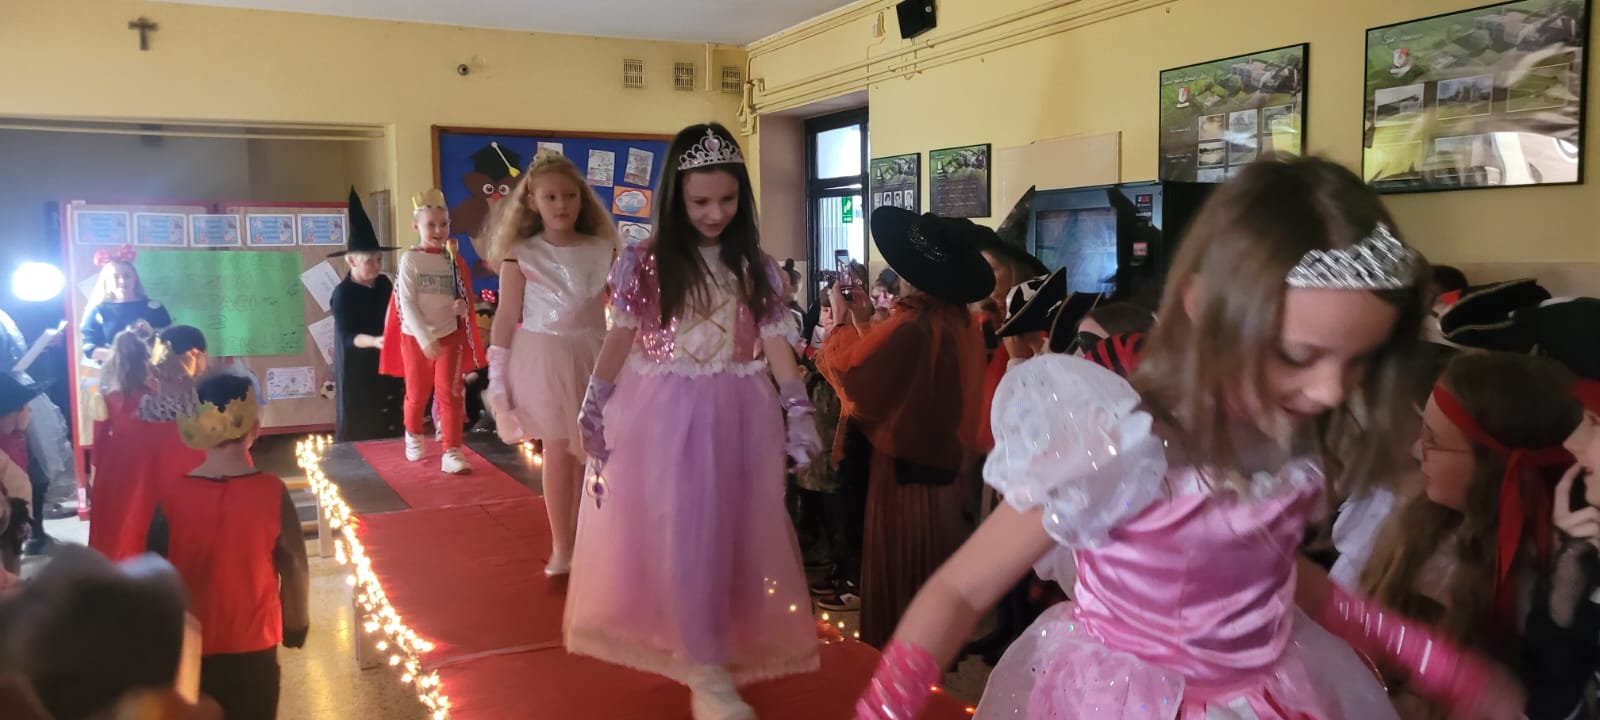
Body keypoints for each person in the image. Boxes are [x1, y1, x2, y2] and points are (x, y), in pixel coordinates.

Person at [854, 157, 1523, 720]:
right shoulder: (1112, 444)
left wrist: (1429, 657)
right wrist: (883, 709)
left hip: (1270, 692)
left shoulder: (1283, 434)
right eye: (1299, 355)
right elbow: (960, 591)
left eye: (1357, 364)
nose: (1328, 391)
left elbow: (1280, 579)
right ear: (1205, 309)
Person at [567, 123, 821, 720]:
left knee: (733, 530)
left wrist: (798, 408)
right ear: (675, 198)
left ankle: (715, 647)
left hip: (739, 413)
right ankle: (705, 668)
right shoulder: (646, 263)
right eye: (700, 201)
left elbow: (776, 342)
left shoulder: (756, 267)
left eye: (727, 199)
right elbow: (621, 337)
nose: (715, 213)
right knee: (683, 529)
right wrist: (595, 399)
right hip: (664, 415)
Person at [818, 207, 993, 648]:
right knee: (927, 576)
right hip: (939, 474)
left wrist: (839, 322)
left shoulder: (915, 325)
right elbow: (895, 380)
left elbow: (855, 385)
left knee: (901, 583)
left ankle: (900, 670)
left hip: (904, 479)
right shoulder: (951, 320)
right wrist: (863, 322)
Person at [482, 149, 617, 576]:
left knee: (594, 451)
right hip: (545, 357)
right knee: (558, 449)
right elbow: (506, 316)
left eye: (570, 196)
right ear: (532, 202)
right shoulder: (522, 253)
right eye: (551, 197)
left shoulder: (604, 248)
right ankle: (563, 545)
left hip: (595, 354)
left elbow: (624, 307)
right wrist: (498, 373)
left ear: (582, 198)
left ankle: (594, 539)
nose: (562, 205)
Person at [147, 371, 308, 720]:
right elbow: (294, 563)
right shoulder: (271, 491)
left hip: (190, 649)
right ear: (254, 429)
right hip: (255, 642)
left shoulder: (171, 496)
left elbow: (154, 574)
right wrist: (296, 624)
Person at [380, 189, 477, 475]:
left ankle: (452, 450)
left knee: (450, 393)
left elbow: (462, 296)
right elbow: (406, 302)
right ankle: (413, 433)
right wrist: (424, 338)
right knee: (417, 393)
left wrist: (462, 306)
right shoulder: (410, 260)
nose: (438, 230)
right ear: (416, 227)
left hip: (449, 335)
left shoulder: (453, 260)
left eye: (443, 224)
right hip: (416, 337)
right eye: (431, 225)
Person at [327, 187, 404, 443]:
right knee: (364, 433)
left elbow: (397, 314)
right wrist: (375, 341)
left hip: (387, 364)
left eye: (379, 259)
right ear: (351, 261)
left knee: (391, 428)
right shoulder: (343, 294)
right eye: (370, 260)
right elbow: (347, 337)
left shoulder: (383, 284)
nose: (377, 266)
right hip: (358, 372)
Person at [79, 246, 171, 362]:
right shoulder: (99, 311)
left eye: (127, 276)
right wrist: (122, 356)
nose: (122, 281)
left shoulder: (155, 308)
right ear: (106, 281)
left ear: (135, 279)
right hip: (113, 372)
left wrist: (152, 334)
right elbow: (89, 349)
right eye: (115, 277)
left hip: (151, 371)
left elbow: (169, 342)